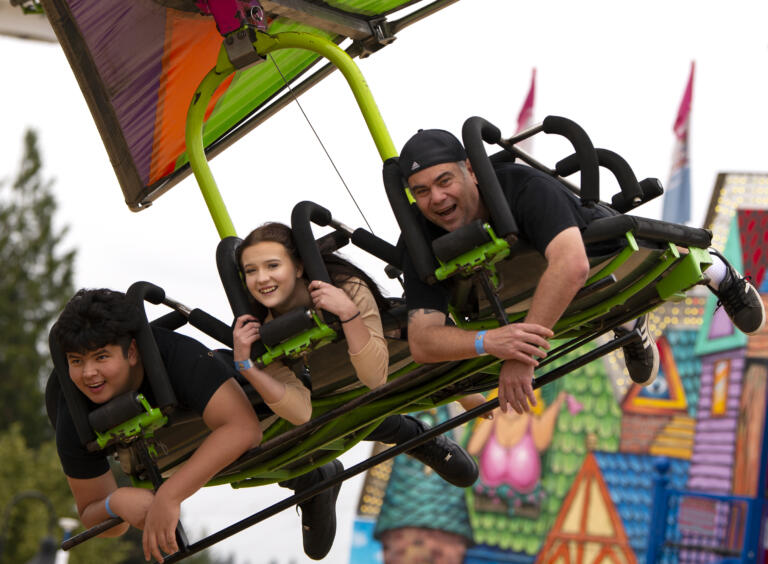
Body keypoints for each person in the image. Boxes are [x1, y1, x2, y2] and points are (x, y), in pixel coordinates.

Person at [398, 129, 766, 415]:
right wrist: (489, 342)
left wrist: (519, 356)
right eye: (422, 191)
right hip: (516, 294)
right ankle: (629, 325)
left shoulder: (524, 187)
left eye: (445, 181)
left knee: (633, 260)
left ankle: (717, 270)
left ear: (472, 171)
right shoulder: (420, 239)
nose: (436, 198)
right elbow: (422, 340)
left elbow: (572, 265)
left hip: (594, 251)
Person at [49, 288, 332, 562]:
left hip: (246, 401)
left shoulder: (176, 356)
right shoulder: (73, 407)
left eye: (101, 357)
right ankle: (311, 477)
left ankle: (309, 476)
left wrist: (168, 497)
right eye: (76, 361)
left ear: (132, 352)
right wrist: (116, 502)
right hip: (166, 448)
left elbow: (244, 429)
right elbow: (94, 514)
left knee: (252, 427)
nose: (88, 374)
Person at [233, 223, 479, 493]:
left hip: (390, 348)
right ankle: (411, 434)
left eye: (272, 266)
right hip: (330, 382)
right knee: (319, 409)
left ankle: (441, 402)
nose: (262, 279)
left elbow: (375, 377)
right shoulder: (258, 328)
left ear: (299, 267)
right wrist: (248, 367)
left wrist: (348, 314)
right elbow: (301, 413)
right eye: (251, 271)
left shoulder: (344, 284)